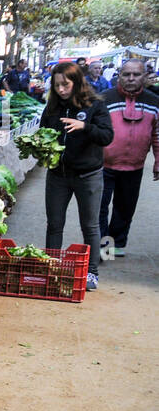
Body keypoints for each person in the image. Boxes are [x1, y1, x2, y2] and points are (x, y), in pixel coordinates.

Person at [40, 61, 113, 291]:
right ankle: (51, 268)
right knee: (54, 224)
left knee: (90, 226)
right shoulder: (52, 107)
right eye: (57, 85)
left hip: (88, 175)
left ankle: (91, 272)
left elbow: (107, 136)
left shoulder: (95, 105)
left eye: (66, 84)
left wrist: (85, 127)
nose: (61, 90)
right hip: (57, 175)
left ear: (77, 82)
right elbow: (43, 132)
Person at [97, 59, 159, 257]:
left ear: (144, 76)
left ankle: (117, 245)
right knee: (99, 207)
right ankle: (103, 247)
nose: (131, 78)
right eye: (126, 74)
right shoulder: (103, 99)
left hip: (134, 167)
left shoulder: (154, 101)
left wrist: (158, 161)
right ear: (119, 75)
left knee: (125, 207)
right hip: (103, 164)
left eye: (136, 74)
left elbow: (157, 133)